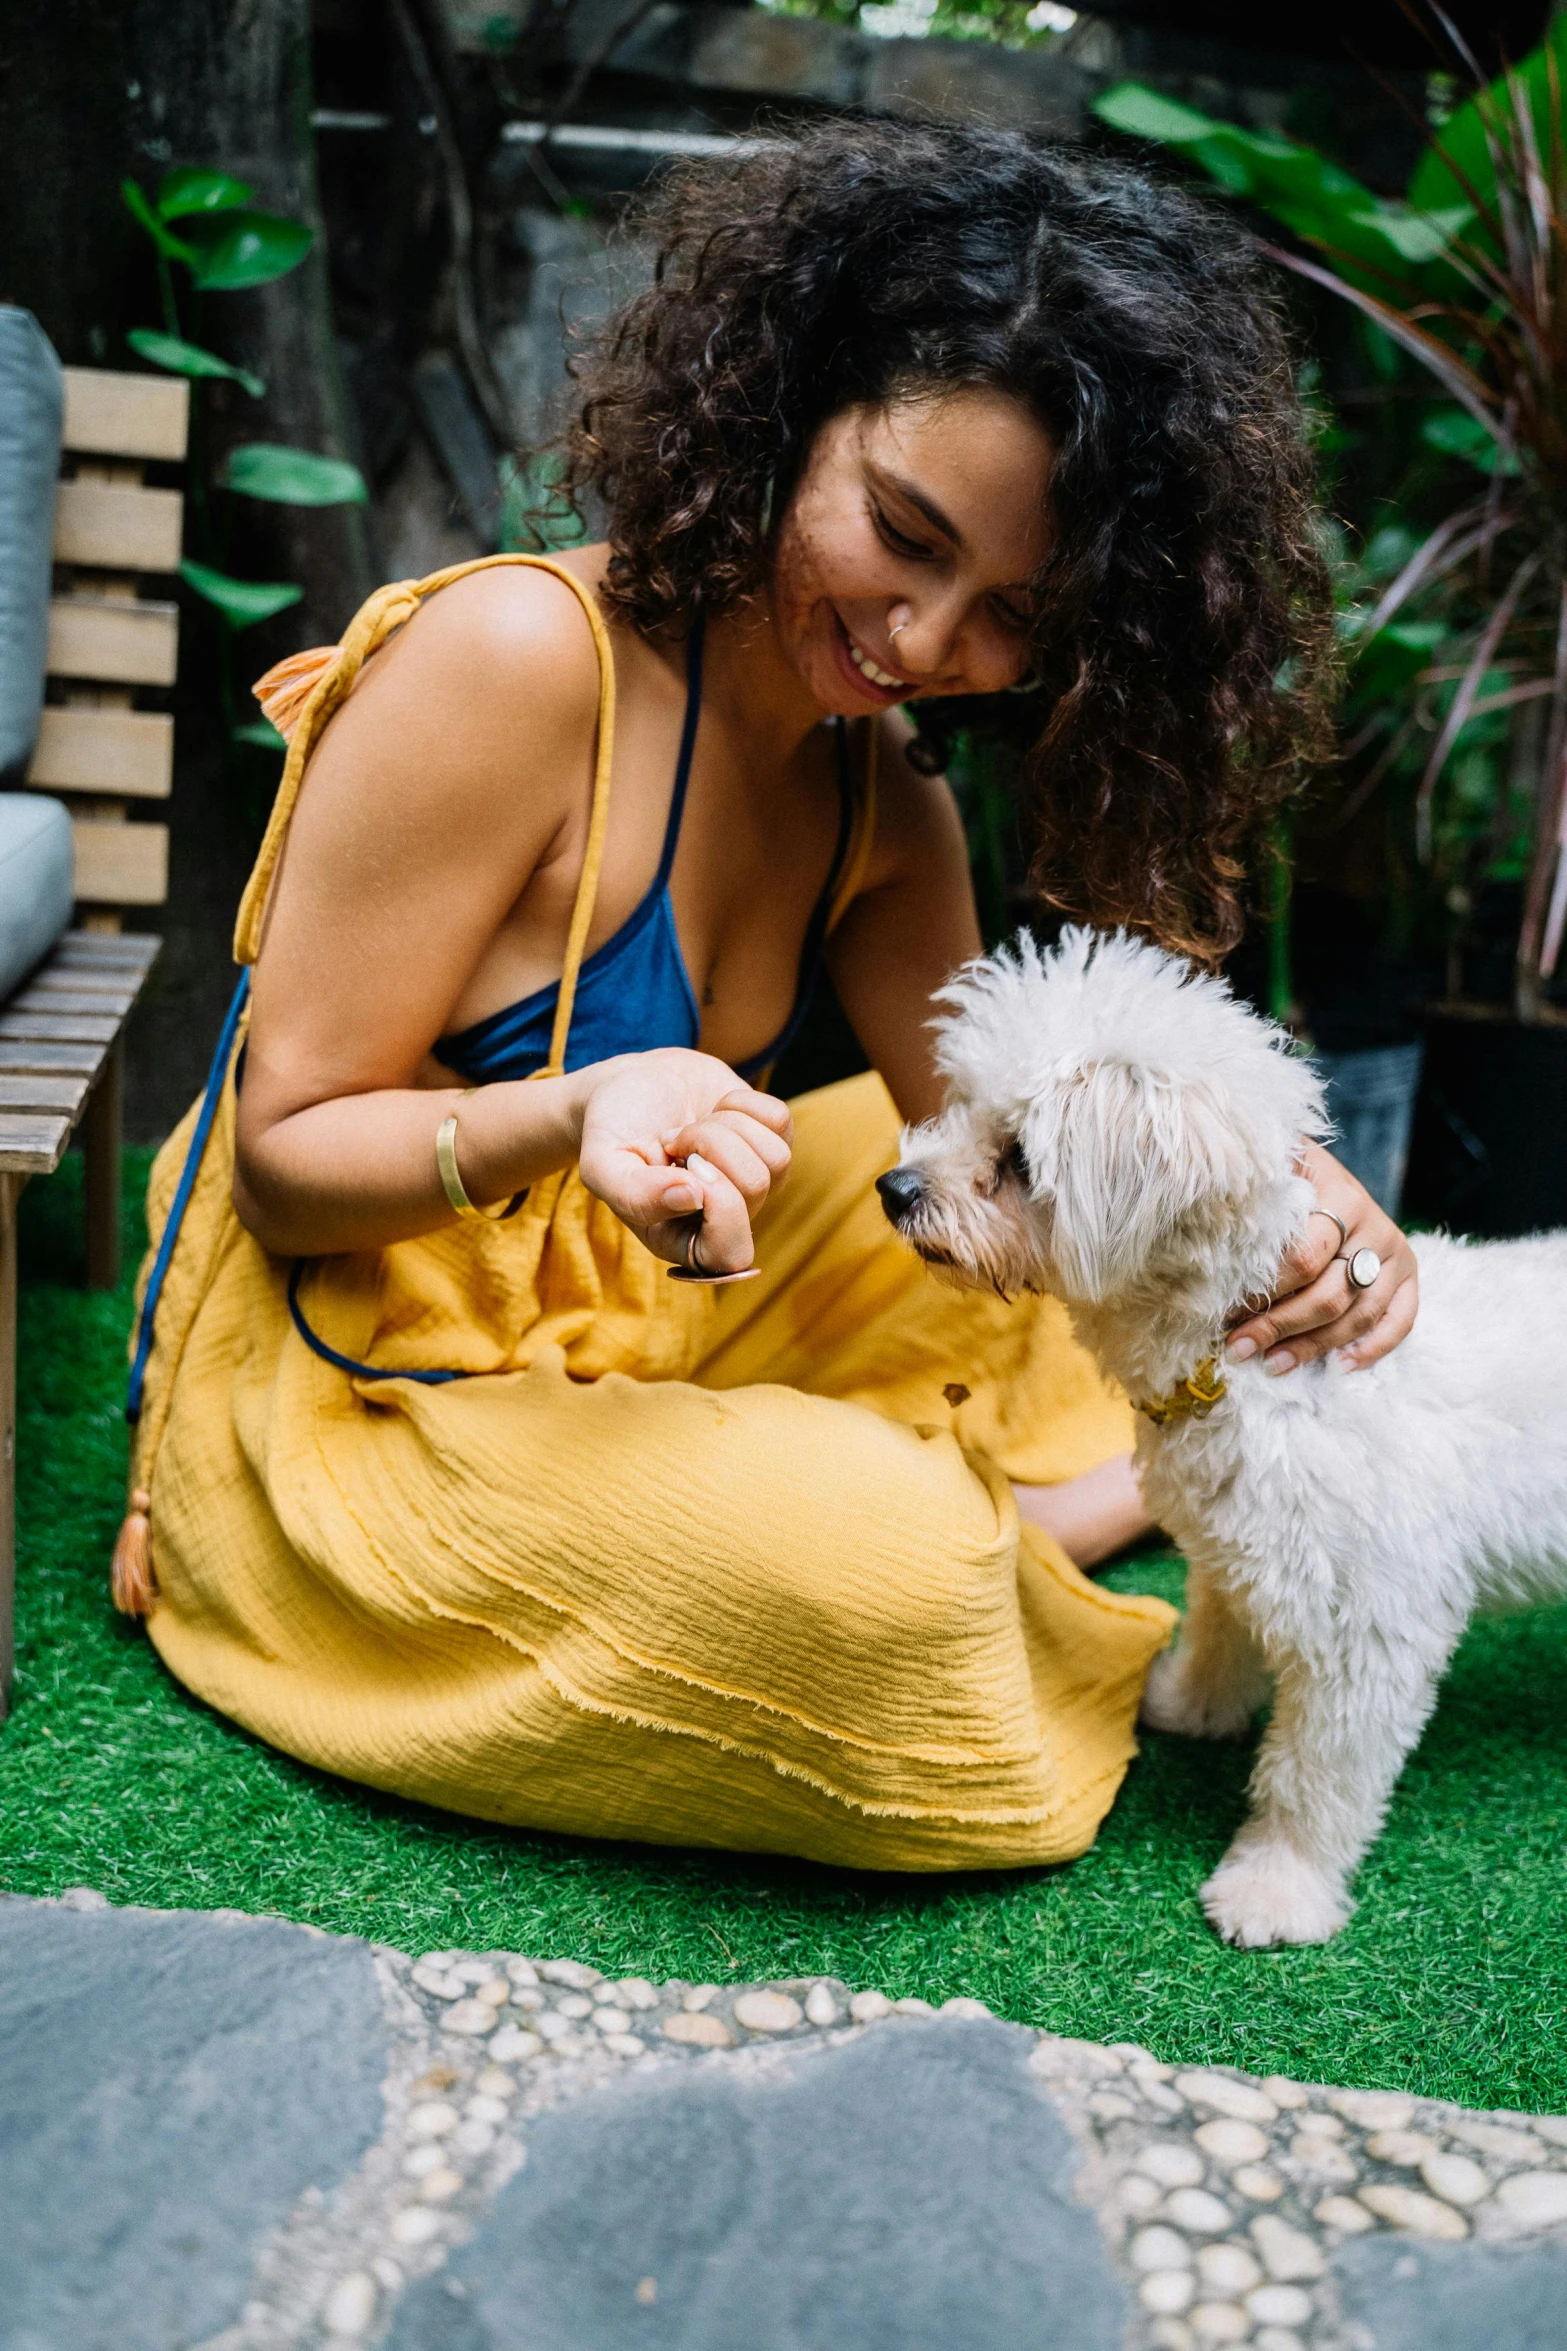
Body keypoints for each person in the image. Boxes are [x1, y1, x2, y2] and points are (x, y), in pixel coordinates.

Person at [118, 121, 1417, 1872]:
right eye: (901, 530)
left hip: (640, 1296)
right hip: (375, 1360)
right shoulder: (512, 664)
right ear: (788, 401)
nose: (922, 640)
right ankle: (1023, 1519)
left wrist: (1312, 1212)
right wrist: (572, 1110)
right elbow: (277, 1158)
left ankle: (1066, 1488)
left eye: (1012, 614)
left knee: (1061, 1247)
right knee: (884, 1575)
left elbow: (1030, 1175)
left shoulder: (884, 802)